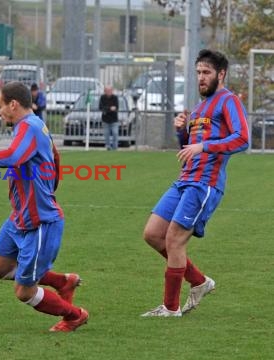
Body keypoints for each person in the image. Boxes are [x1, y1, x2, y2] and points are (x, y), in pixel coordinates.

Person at [0, 81, 88, 332]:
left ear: (13, 104)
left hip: (41, 222)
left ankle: (74, 315)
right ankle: (63, 281)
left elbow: (11, 157)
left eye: (0, 106)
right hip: (20, 217)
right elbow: (55, 156)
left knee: (24, 292)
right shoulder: (32, 125)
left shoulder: (30, 126)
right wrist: (46, 188)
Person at [141, 49, 249, 317]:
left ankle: (170, 308)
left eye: (206, 73)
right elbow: (188, 149)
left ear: (221, 74)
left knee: (174, 240)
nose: (200, 78)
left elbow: (243, 139)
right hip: (185, 179)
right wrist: (182, 131)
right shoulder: (200, 108)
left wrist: (203, 146)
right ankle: (200, 282)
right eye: (198, 72)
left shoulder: (229, 101)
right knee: (153, 234)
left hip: (205, 183)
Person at [99, 86, 119, 151]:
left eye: (110, 90)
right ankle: (108, 147)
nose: (108, 92)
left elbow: (116, 107)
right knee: (106, 134)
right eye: (107, 91)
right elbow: (101, 108)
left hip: (114, 119)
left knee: (115, 133)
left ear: (112, 91)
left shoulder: (115, 98)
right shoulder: (102, 98)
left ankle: (115, 148)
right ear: (104, 91)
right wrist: (110, 108)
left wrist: (107, 109)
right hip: (105, 119)